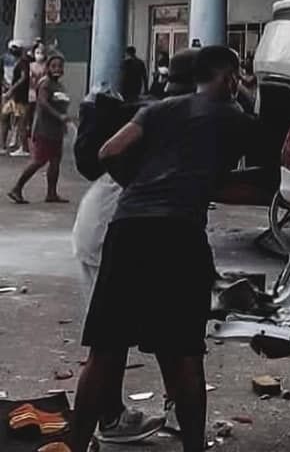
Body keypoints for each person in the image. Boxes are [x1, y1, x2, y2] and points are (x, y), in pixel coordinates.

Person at [69, 46, 258, 452]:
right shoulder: (232, 115)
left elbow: (107, 152)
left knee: (104, 351)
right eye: (237, 76)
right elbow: (268, 165)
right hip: (178, 235)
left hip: (128, 228)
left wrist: (142, 185)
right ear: (227, 79)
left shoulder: (158, 110)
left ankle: (76, 444)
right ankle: (192, 446)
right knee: (184, 353)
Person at [8, 53, 70, 203]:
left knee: (55, 161)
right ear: (47, 68)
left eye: (60, 66)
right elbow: (42, 103)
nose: (57, 69)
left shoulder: (59, 85)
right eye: (53, 66)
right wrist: (59, 116)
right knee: (39, 160)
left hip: (56, 130)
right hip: (44, 129)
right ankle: (17, 188)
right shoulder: (46, 84)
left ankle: (51, 193)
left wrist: (63, 122)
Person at [0, 40, 24, 154]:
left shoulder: (23, 61)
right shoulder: (4, 59)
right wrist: (5, 85)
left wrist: (12, 88)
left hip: (18, 94)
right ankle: (3, 145)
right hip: (7, 92)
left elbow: (23, 78)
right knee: (4, 117)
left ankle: (17, 143)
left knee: (19, 119)